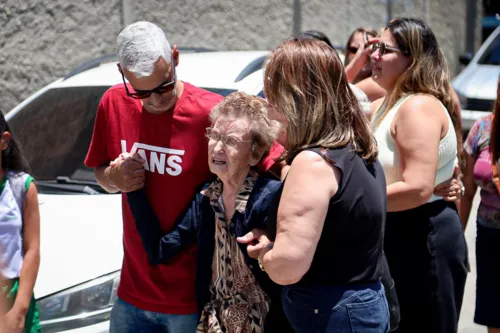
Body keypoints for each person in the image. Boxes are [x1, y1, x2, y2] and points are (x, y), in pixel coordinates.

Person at [84, 21, 282, 332]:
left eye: (163, 86)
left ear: (175, 58)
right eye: (141, 92)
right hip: (131, 294)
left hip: (194, 301)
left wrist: (277, 231)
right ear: (123, 73)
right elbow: (100, 173)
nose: (155, 100)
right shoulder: (112, 104)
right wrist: (114, 178)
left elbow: (276, 166)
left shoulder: (212, 113)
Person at [244, 38, 390, 332]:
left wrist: (266, 255)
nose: (269, 111)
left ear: (297, 99)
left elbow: (287, 267)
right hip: (358, 304)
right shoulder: (356, 146)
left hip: (332, 313)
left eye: (272, 100)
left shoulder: (313, 163)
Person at [124, 92, 293, 333]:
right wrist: (134, 189)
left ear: (255, 154)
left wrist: (270, 248)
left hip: (268, 323)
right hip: (215, 324)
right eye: (214, 136)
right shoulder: (206, 198)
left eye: (232, 141)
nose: (217, 147)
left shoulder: (271, 197)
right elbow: (160, 250)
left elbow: (296, 265)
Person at [370, 17, 468, 333]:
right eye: (374, 47)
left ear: (411, 59)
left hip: (423, 237)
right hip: (398, 230)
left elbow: (417, 189)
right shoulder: (388, 101)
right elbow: (336, 89)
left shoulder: (417, 107)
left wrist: (349, 204)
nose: (374, 55)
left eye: (383, 49)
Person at [460, 74, 500, 333]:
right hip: (489, 236)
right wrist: (458, 239)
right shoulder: (482, 130)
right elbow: (467, 191)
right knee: (494, 316)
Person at [0, 112, 41, 333]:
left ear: (4, 141)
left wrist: (19, 311)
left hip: (15, 301)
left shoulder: (21, 187)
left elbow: (32, 250)